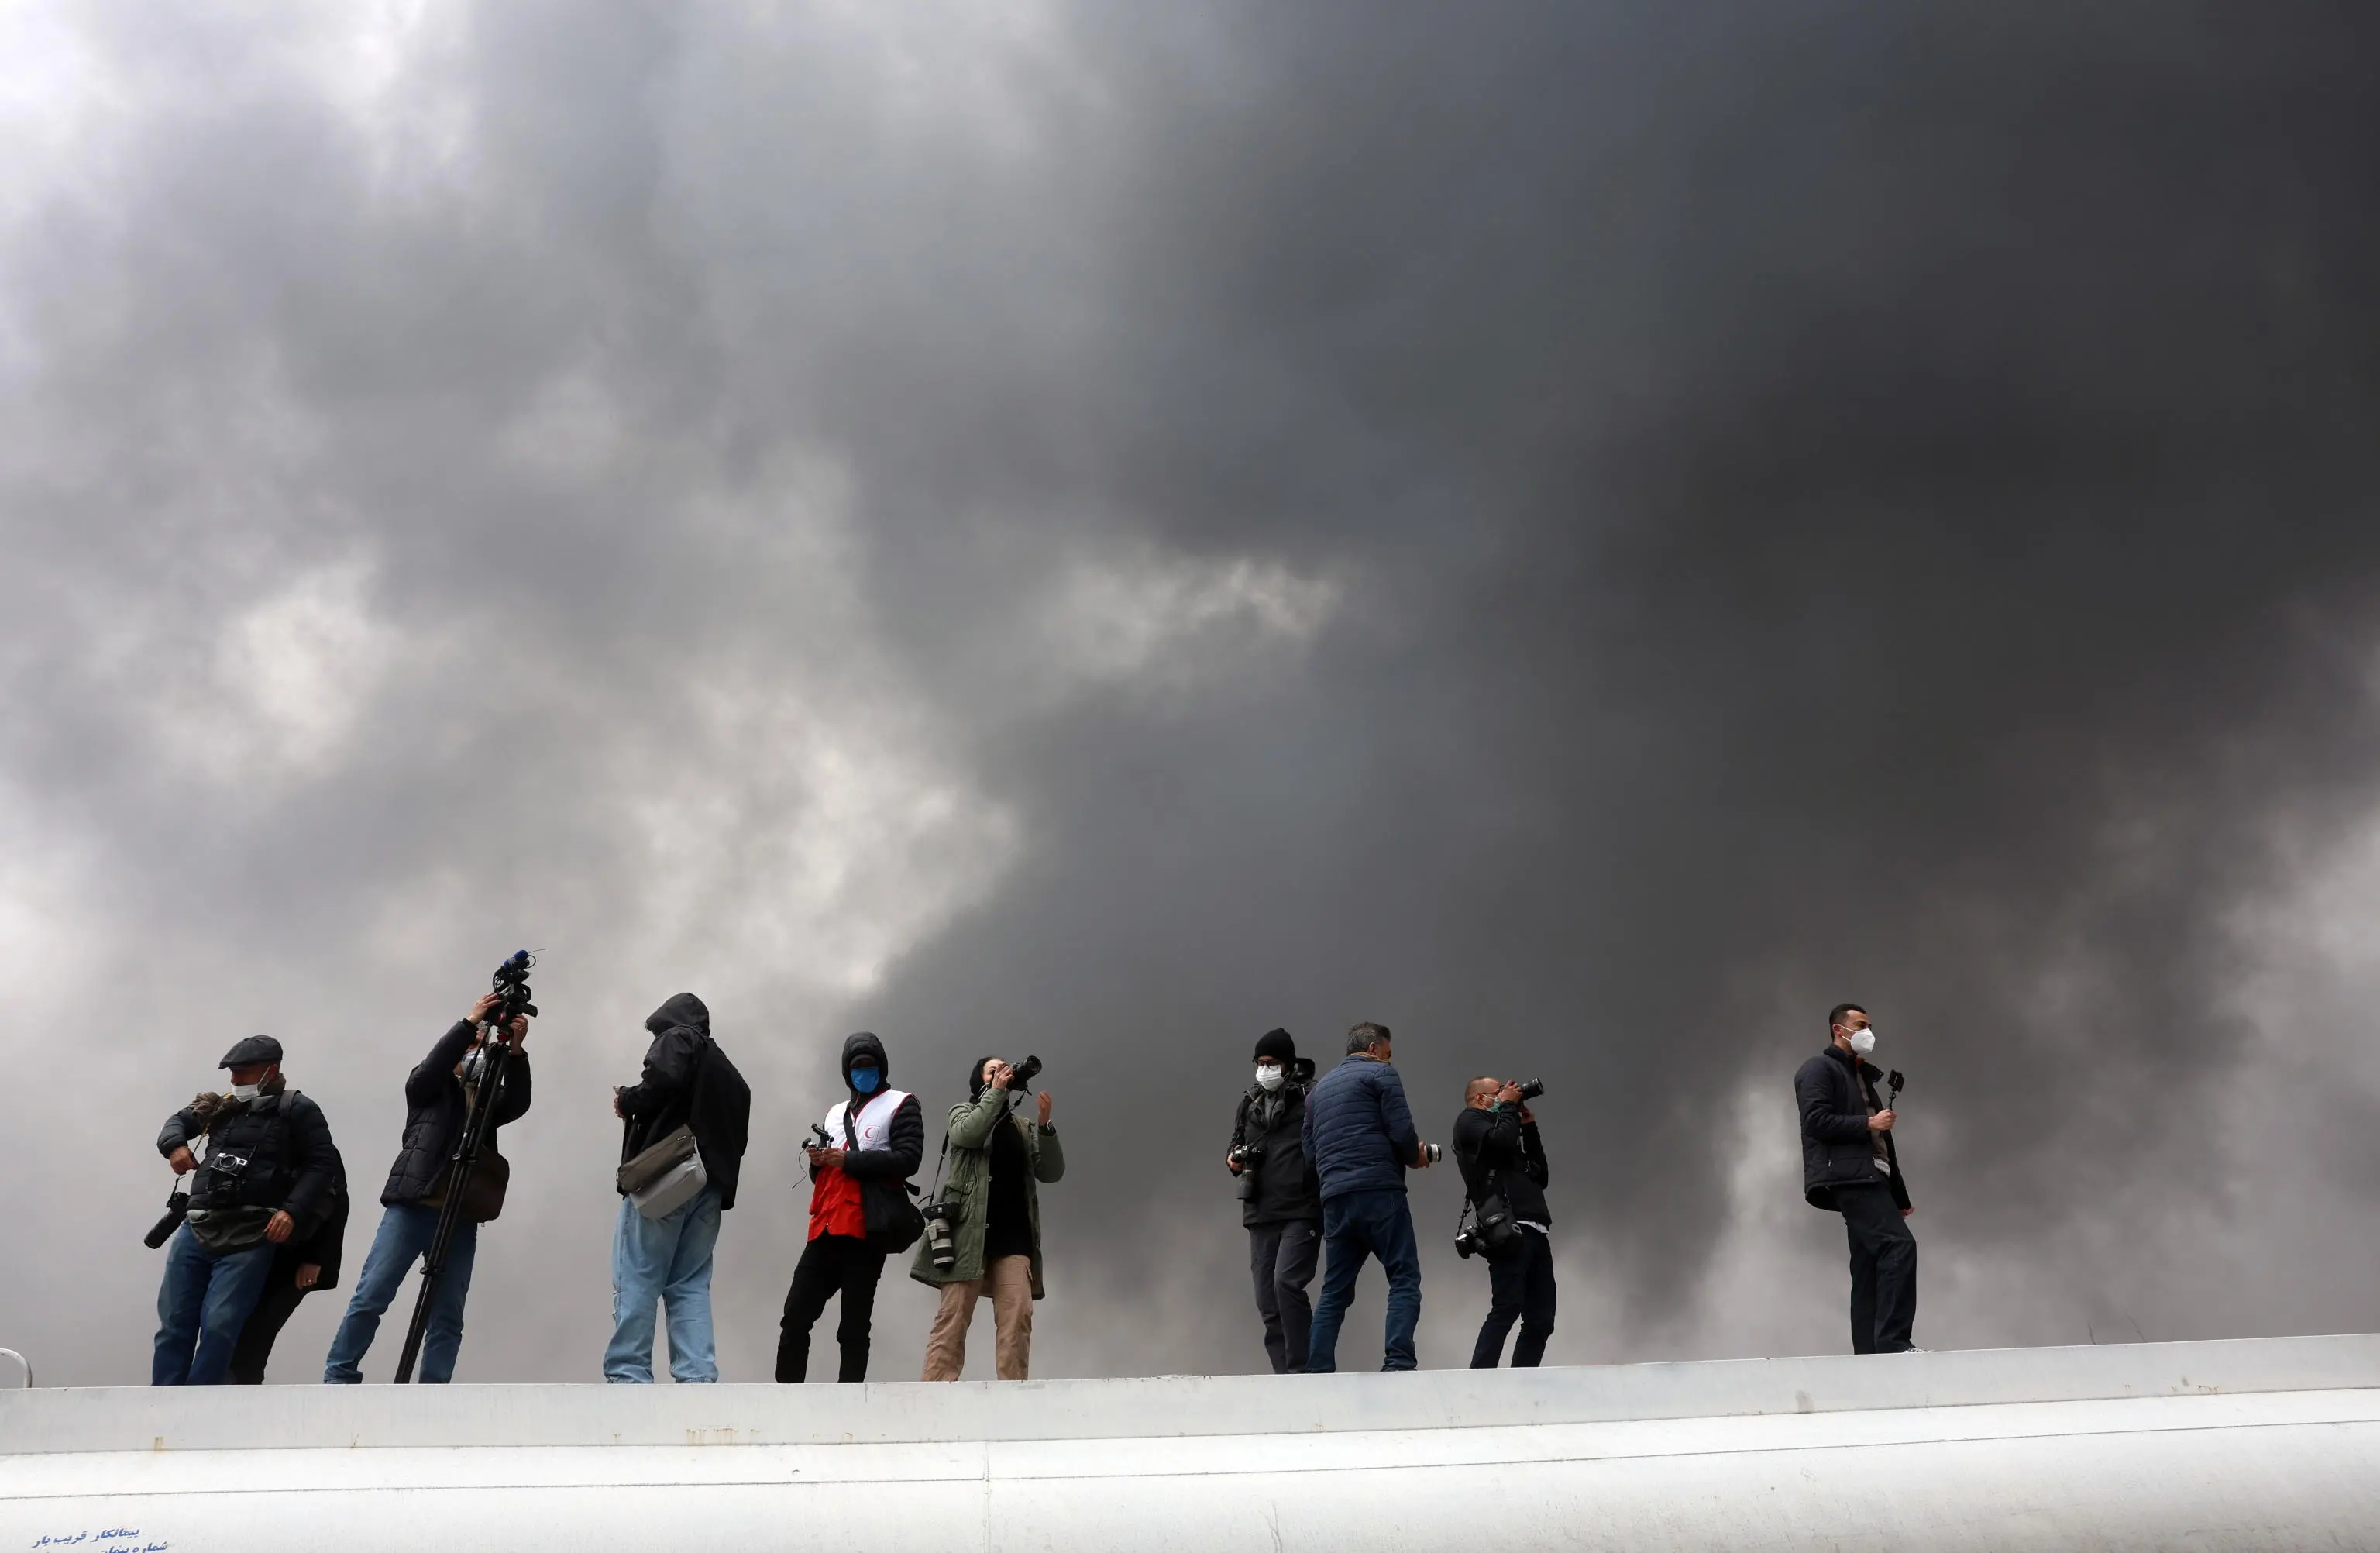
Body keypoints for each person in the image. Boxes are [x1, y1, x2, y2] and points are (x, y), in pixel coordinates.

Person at [323, 990, 532, 1384]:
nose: (473, 1050)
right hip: (414, 1203)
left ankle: (433, 1389)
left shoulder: (484, 1098)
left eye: (478, 1045)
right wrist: (470, 1022)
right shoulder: (428, 1088)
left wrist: (517, 1053)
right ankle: (339, 1376)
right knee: (372, 1296)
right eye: (468, 1044)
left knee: (448, 1313)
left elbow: (518, 1103)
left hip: (460, 1213)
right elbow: (433, 1067)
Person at [153, 1035, 339, 1386]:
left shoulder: (298, 1109)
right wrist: (174, 1145)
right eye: (232, 1073)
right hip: (197, 1226)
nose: (235, 1080)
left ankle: (200, 1401)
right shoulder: (221, 1106)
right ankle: (162, 1401)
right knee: (174, 1322)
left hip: (252, 1232)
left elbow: (322, 1165)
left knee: (221, 1324)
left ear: (271, 1070)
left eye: (242, 1072)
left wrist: (290, 1212)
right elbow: (176, 1122)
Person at [605, 993, 752, 1384]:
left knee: (637, 1273)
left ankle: (628, 1376)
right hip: (709, 1188)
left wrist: (629, 1099)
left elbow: (662, 1080)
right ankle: (697, 1378)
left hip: (668, 1178)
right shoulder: (731, 1075)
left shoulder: (680, 1038)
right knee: (689, 1283)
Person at [776, 1031, 923, 1382]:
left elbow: (908, 1159)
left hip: (866, 1229)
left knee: (853, 1325)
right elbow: (825, 1175)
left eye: (870, 1066)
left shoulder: (902, 1103)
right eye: (856, 1067)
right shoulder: (834, 1113)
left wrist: (849, 1160)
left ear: (882, 1067)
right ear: (847, 1072)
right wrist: (818, 1161)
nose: (863, 1072)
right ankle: (785, 1398)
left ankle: (851, 1401)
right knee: (795, 1315)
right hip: (825, 1225)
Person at [913, 1056, 1064, 1380]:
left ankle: (1012, 1396)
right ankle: (935, 1395)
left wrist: (1045, 1125)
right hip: (967, 1233)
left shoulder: (1021, 1127)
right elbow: (969, 1134)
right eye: (993, 1070)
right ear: (978, 1080)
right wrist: (994, 1094)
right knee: (953, 1316)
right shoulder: (962, 1112)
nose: (1002, 1073)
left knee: (1018, 1315)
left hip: (1014, 1237)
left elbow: (1051, 1172)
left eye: (1005, 1068)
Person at [1302, 1021, 1433, 1373]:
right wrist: (1414, 1156)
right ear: (1375, 1049)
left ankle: (1317, 1371)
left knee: (1335, 1291)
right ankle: (1399, 1364)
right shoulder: (1380, 1074)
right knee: (1404, 1277)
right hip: (1380, 1191)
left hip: (1336, 1199)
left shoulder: (1316, 1094)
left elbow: (1309, 1156)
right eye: (1388, 1053)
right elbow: (1402, 1131)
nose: (1389, 1060)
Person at [1796, 1002, 1917, 1354]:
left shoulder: (1861, 1075)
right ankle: (1894, 1346)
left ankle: (1869, 1356)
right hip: (1850, 1178)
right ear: (1839, 1029)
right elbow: (1815, 1121)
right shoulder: (1818, 1069)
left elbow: (1882, 1147)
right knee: (1898, 1247)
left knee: (1868, 1267)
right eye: (1861, 1024)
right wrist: (1868, 1122)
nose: (1868, 1032)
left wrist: (1900, 1197)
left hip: (1871, 1178)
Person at [1226, 1028, 1322, 1374]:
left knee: (1287, 1284)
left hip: (1301, 1210)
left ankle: (1304, 1372)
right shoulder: (1249, 1102)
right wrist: (1233, 1160)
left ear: (1288, 1064)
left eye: (1271, 1063)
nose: (1264, 1069)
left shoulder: (1312, 1097)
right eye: (1260, 1062)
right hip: (1260, 1212)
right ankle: (1284, 1376)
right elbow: (1233, 1145)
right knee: (1267, 1301)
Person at [1452, 1076, 1555, 1367]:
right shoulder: (1469, 1121)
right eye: (1497, 1092)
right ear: (1479, 1099)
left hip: (1536, 1229)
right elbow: (1499, 1141)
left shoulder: (1506, 1130)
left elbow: (1540, 1175)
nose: (1504, 1095)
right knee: (1508, 1306)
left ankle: (1522, 1382)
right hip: (1507, 1227)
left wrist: (1529, 1127)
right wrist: (1509, 1107)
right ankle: (1481, 1378)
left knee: (1541, 1320)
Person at [228, 1138, 349, 1385]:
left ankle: (244, 1396)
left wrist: (315, 1258)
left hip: (295, 1258)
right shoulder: (255, 1138)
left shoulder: (315, 1145)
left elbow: (336, 1204)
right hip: (252, 1251)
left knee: (258, 1332)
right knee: (231, 1330)